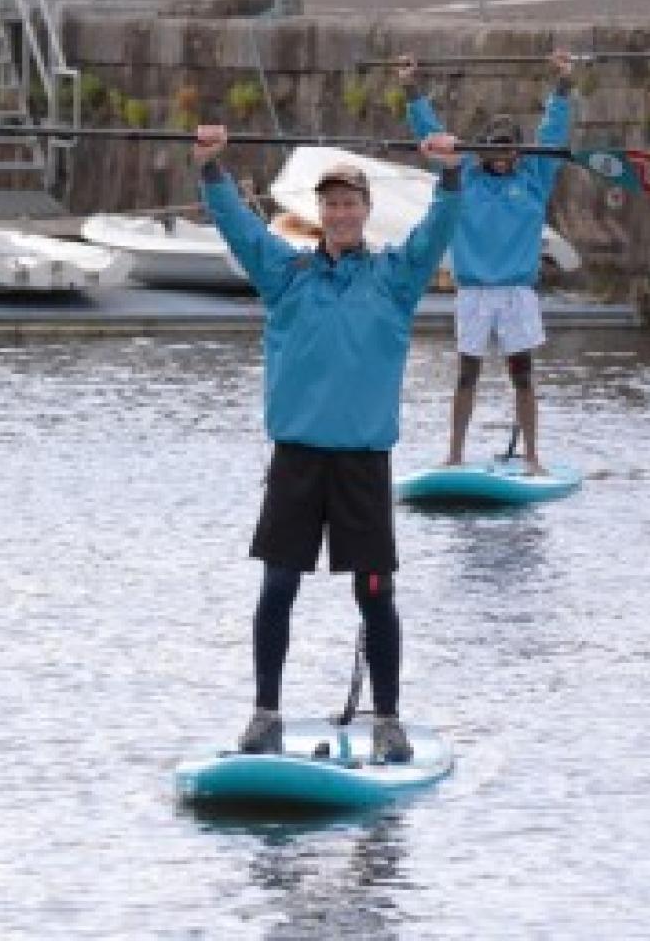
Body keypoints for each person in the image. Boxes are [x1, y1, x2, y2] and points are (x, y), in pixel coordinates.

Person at [194, 122, 463, 763]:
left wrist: (452, 175)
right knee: (278, 587)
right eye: (331, 204)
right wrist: (209, 169)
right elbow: (239, 228)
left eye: (350, 203)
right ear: (320, 213)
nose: (341, 214)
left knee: (375, 593)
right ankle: (265, 716)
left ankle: (388, 721)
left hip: (362, 463)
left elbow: (438, 229)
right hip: (297, 459)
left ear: (366, 211)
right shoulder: (285, 275)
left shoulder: (396, 278)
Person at [398, 50, 573, 473]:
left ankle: (532, 457)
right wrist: (411, 89)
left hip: (517, 293)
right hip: (474, 292)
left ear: (517, 151)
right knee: (466, 375)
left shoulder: (534, 178)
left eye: (507, 149)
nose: (501, 156)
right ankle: (455, 455)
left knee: (522, 376)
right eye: (494, 149)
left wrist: (564, 85)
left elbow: (552, 132)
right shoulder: (464, 177)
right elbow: (434, 135)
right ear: (482, 150)